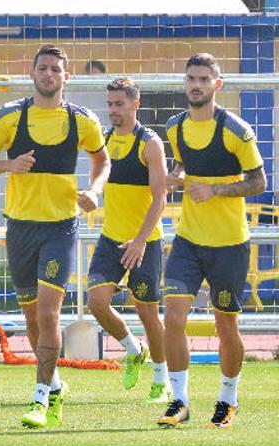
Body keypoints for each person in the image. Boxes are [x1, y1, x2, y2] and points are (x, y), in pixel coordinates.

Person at [0, 44, 109, 428]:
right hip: (19, 227)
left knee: (49, 314)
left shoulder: (82, 120)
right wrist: (9, 165)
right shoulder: (10, 117)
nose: (48, 74)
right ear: (32, 74)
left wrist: (95, 190)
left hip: (60, 226)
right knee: (32, 317)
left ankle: (41, 400)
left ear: (66, 76)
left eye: (55, 69)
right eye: (42, 68)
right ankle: (55, 382)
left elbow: (102, 160)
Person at [158, 53, 265, 428]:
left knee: (225, 326)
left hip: (229, 244)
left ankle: (228, 398)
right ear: (184, 83)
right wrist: (177, 175)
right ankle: (180, 401)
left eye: (204, 79)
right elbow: (182, 163)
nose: (197, 85)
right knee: (172, 317)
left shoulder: (236, 129)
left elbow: (259, 182)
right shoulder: (174, 127)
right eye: (191, 78)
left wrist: (216, 190)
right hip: (188, 240)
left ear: (217, 84)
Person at [86, 77, 170, 402]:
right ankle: (134, 350)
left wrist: (139, 241)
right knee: (95, 302)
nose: (113, 110)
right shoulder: (103, 141)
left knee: (148, 313)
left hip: (145, 241)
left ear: (136, 104)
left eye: (119, 104)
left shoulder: (150, 143)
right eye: (109, 104)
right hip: (111, 239)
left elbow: (160, 199)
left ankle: (162, 380)